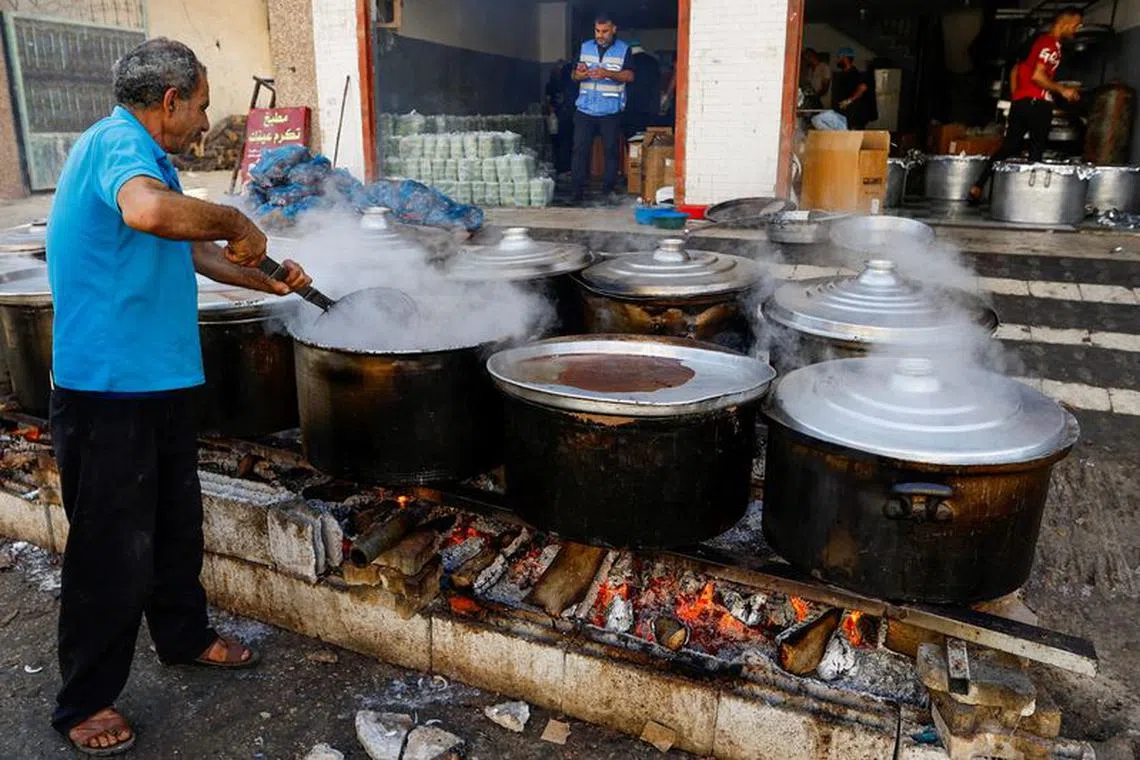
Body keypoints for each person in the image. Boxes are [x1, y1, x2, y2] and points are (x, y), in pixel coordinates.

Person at [45, 38, 312, 756]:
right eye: (200, 106)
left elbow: (190, 250)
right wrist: (237, 221)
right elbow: (148, 215)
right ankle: (85, 700)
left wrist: (267, 277)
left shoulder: (152, 159)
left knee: (172, 527)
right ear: (170, 101)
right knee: (110, 550)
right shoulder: (115, 146)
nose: (202, 121)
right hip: (107, 391)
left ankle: (183, 636)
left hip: (156, 380)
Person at [969, 7, 1084, 202]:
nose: (1077, 29)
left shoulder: (1037, 43)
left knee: (1009, 147)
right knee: (1036, 150)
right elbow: (1038, 76)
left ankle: (978, 186)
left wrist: (1018, 98)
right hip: (1038, 104)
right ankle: (1029, 200)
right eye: (1076, 25)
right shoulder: (1051, 45)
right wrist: (1062, 90)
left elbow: (1016, 70)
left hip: (1021, 103)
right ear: (1066, 21)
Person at [570, 12, 635, 204]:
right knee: (579, 151)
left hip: (610, 111)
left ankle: (608, 191)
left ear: (614, 29)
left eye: (605, 31)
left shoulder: (624, 49)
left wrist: (607, 73)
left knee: (611, 152)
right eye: (597, 31)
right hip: (585, 109)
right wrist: (580, 75)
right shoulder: (585, 47)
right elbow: (574, 75)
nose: (600, 35)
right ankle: (577, 193)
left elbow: (630, 76)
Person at [622, 39, 661, 137]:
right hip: (650, 107)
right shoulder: (653, 61)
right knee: (647, 139)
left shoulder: (627, 62)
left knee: (632, 140)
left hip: (631, 107)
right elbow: (658, 85)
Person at [831, 47, 873, 129]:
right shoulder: (843, 74)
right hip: (844, 115)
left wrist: (849, 101)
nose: (837, 60)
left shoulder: (854, 74)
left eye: (839, 58)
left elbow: (863, 87)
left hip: (854, 117)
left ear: (845, 58)